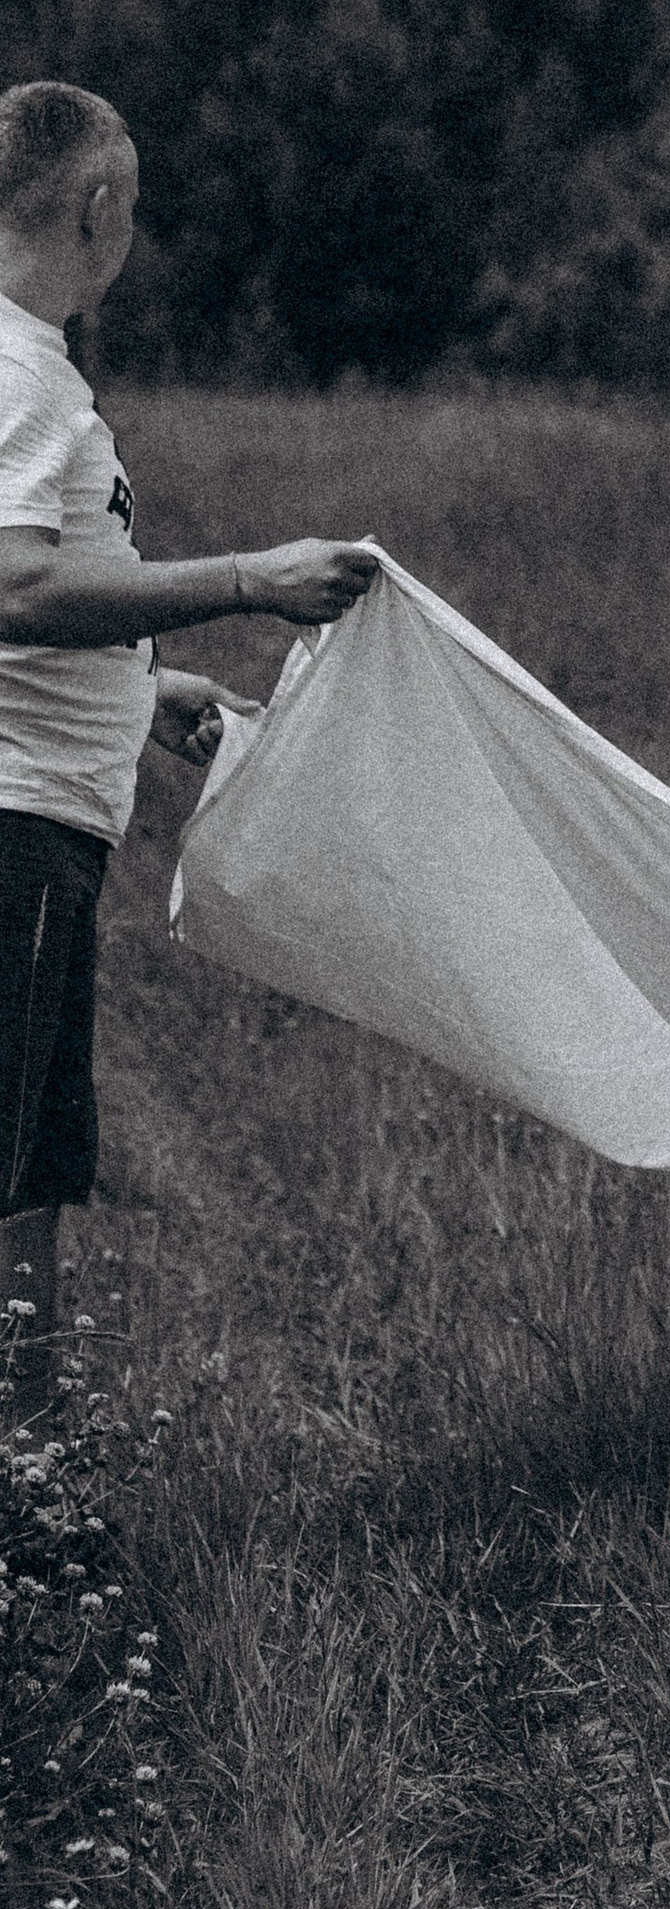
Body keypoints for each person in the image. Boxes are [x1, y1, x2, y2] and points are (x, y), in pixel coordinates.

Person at [0, 82, 379, 1400]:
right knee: (9, 1177)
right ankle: (29, 1498)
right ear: (102, 207)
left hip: (43, 817)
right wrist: (252, 578)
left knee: (34, 1169)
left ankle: (34, 1482)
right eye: (135, 208)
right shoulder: (19, 376)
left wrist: (138, 687)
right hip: (17, 832)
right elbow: (16, 589)